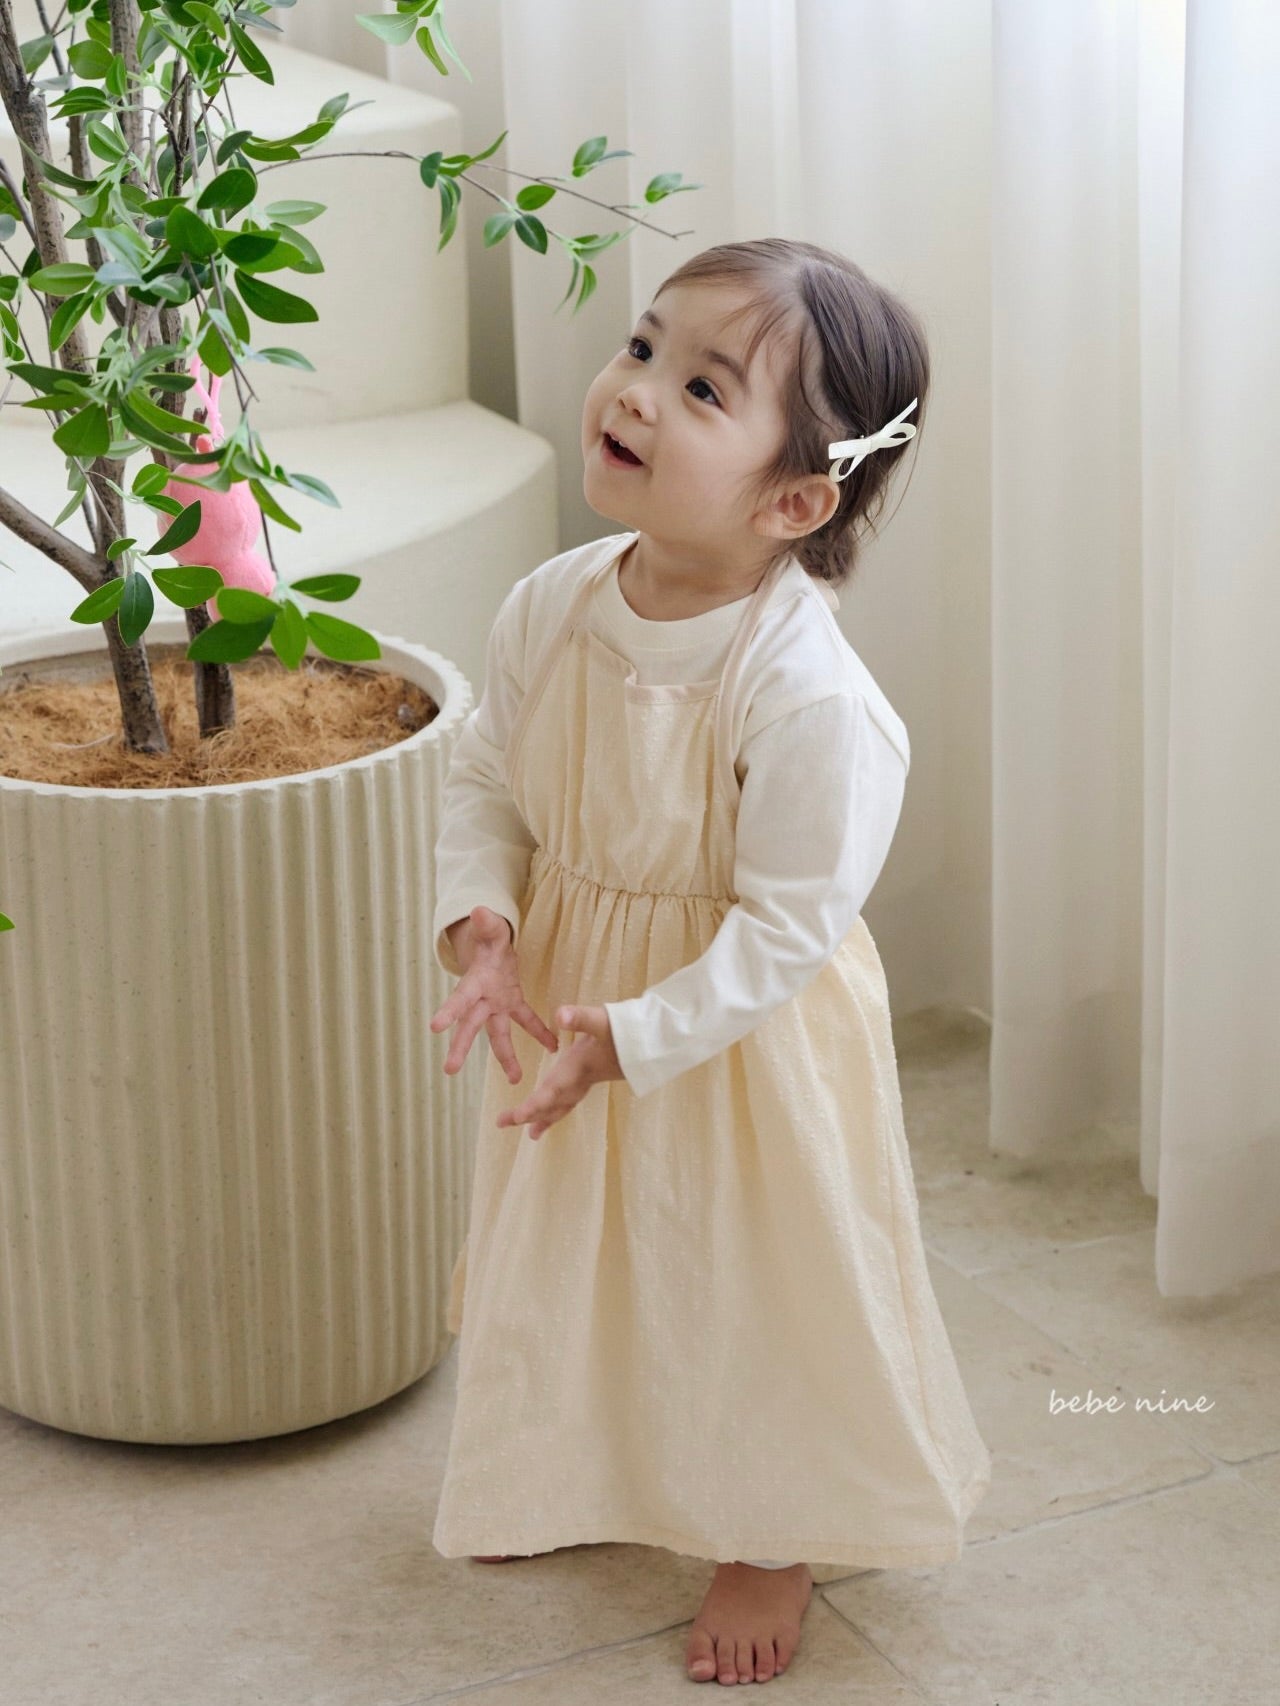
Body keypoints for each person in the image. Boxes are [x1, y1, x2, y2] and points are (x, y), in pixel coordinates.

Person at [427, 238, 992, 1687]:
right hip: (575, 1000)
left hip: (738, 1033)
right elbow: (487, 772)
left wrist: (640, 1032)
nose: (635, 390)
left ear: (795, 500)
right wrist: (486, 921)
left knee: (747, 1273)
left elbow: (791, 924)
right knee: (584, 1250)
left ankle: (773, 1526)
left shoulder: (808, 694)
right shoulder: (551, 602)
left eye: (701, 387)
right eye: (642, 346)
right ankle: (568, 1458)